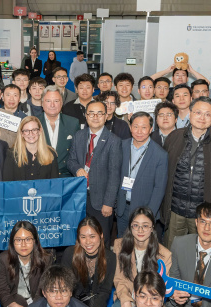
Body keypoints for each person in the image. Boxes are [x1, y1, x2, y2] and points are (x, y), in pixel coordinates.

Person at [161, 97, 211, 248]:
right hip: (175, 209)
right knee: (172, 250)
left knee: (199, 252)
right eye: (198, 112)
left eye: (208, 114)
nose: (202, 117)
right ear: (190, 113)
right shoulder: (174, 137)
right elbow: (165, 170)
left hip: (203, 212)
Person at [67, 100, 123, 237]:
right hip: (80, 198)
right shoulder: (79, 135)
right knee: (81, 238)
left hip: (101, 202)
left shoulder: (114, 141)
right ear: (86, 116)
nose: (95, 117)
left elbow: (114, 174)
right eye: (91, 113)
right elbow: (70, 160)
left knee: (101, 239)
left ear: (106, 116)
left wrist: (109, 203)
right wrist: (77, 169)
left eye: (99, 113)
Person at [0, 221, 52, 307]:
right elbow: (2, 289)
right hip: (15, 299)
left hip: (38, 299)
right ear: (12, 242)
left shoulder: (46, 259)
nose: (23, 244)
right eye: (18, 240)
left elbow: (43, 290)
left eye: (28, 239)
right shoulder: (4, 259)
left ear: (35, 241)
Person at [59, 217, 117, 307]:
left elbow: (105, 290)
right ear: (78, 239)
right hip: (74, 300)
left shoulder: (110, 257)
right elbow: (65, 287)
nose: (88, 242)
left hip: (95, 300)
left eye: (92, 236)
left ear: (100, 236)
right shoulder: (69, 254)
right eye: (83, 237)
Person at [114, 112, 168, 233]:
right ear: (130, 127)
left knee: (141, 249)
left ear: (151, 129)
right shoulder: (121, 146)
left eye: (144, 127)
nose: (139, 131)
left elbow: (159, 188)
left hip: (144, 211)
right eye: (136, 126)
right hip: (122, 209)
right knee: (122, 246)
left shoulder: (160, 154)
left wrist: (149, 215)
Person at [112, 207, 172, 307]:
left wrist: (145, 302)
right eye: (136, 225)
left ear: (152, 227)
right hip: (128, 294)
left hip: (151, 299)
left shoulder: (164, 254)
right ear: (131, 227)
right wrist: (126, 301)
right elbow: (119, 279)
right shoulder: (119, 246)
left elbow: (161, 288)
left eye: (145, 226)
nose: (140, 230)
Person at [38, 87, 80, 177]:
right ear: (42, 103)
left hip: (65, 177)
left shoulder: (73, 123)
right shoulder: (33, 122)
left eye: (56, 101)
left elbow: (77, 153)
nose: (52, 105)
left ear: (61, 104)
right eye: (48, 101)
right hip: (40, 177)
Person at [4, 115, 60, 181]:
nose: (31, 134)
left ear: (40, 131)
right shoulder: (12, 154)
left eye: (34, 130)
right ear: (21, 133)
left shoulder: (51, 153)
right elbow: (8, 184)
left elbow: (55, 184)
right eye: (26, 131)